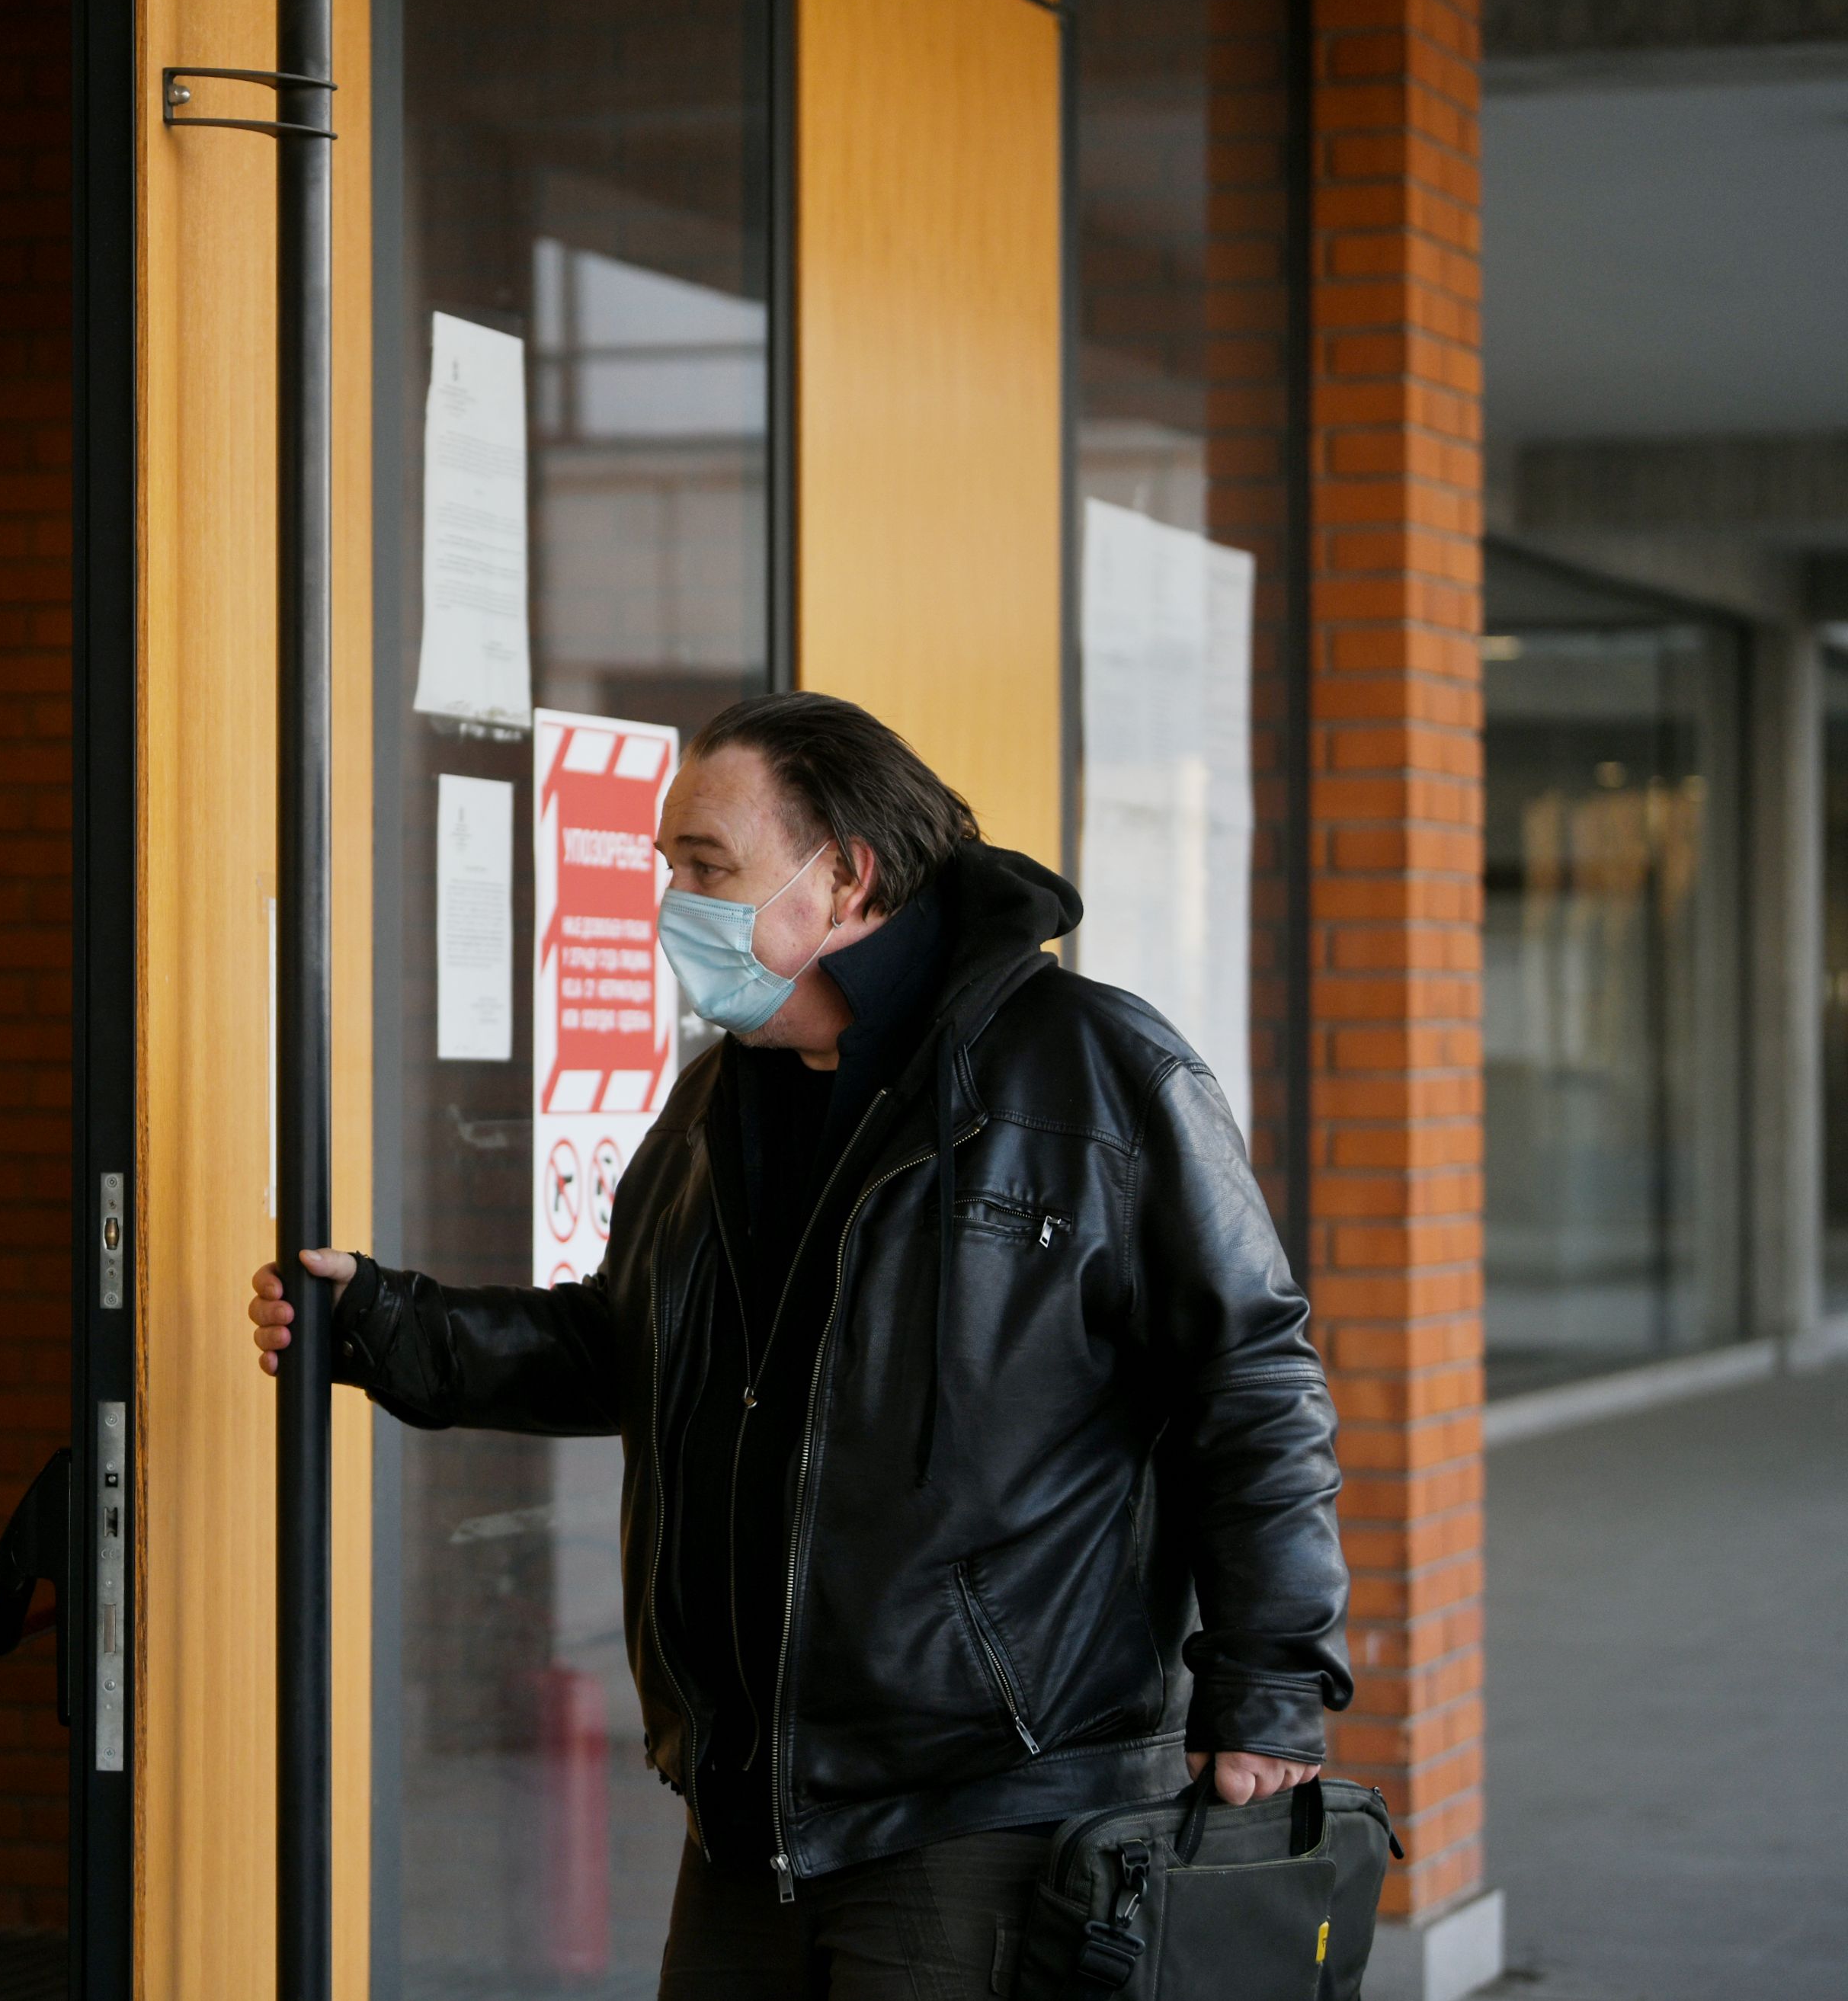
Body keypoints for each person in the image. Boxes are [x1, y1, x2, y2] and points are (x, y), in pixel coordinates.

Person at [246, 693, 1349, 1997]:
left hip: (987, 1812)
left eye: (708, 867)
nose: (674, 902)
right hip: (749, 1818)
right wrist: (383, 1324)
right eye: (671, 868)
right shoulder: (724, 1096)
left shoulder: (1091, 1070)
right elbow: (620, 1349)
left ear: (846, 878)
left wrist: (1269, 1692)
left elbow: (1254, 1384)